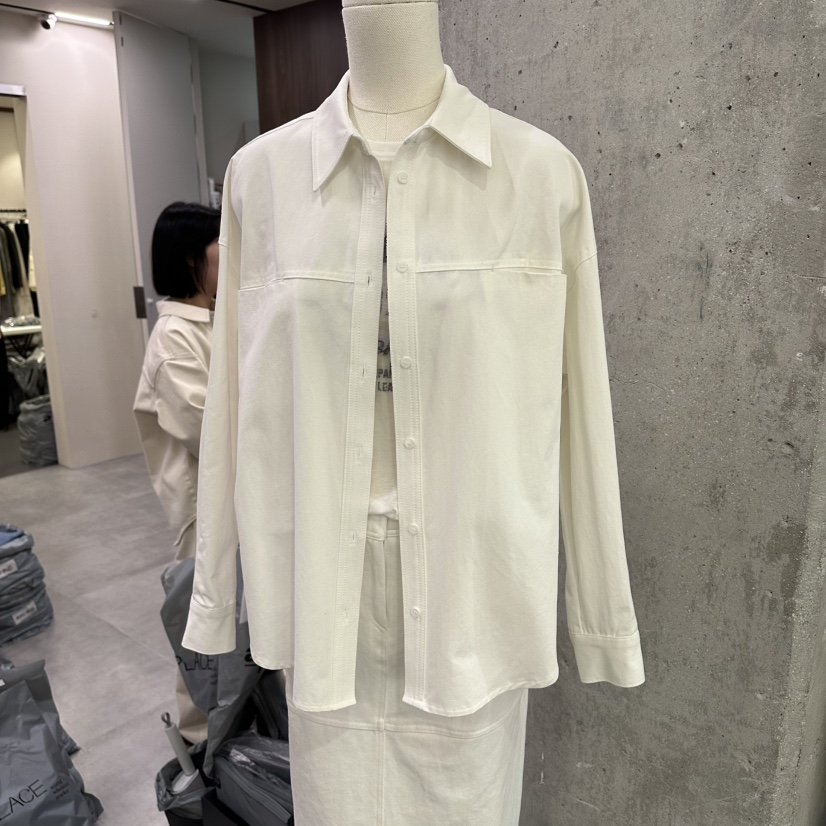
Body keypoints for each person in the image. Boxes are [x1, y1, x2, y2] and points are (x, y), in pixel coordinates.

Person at [134, 201, 220, 744]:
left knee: (237, 631)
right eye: (220, 246)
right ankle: (200, 749)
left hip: (232, 503)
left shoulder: (212, 322)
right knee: (206, 636)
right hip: (203, 511)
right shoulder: (173, 340)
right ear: (192, 259)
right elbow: (209, 430)